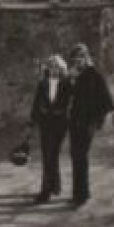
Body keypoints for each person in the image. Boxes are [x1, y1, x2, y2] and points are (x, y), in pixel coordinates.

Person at [66, 43, 114, 208]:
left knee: (81, 156)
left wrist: (97, 120)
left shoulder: (95, 75)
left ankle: (81, 196)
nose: (78, 61)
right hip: (74, 122)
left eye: (80, 57)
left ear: (86, 57)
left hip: (87, 123)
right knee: (75, 156)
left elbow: (107, 101)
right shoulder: (75, 76)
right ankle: (79, 193)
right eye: (75, 59)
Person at [28, 54, 72, 204]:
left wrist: (59, 112)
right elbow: (36, 104)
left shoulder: (67, 84)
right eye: (52, 66)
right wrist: (34, 120)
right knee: (48, 156)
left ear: (62, 69)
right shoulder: (43, 83)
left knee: (52, 155)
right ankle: (50, 189)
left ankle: (50, 189)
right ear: (48, 68)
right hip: (45, 125)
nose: (54, 70)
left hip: (60, 125)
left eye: (57, 67)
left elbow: (68, 104)